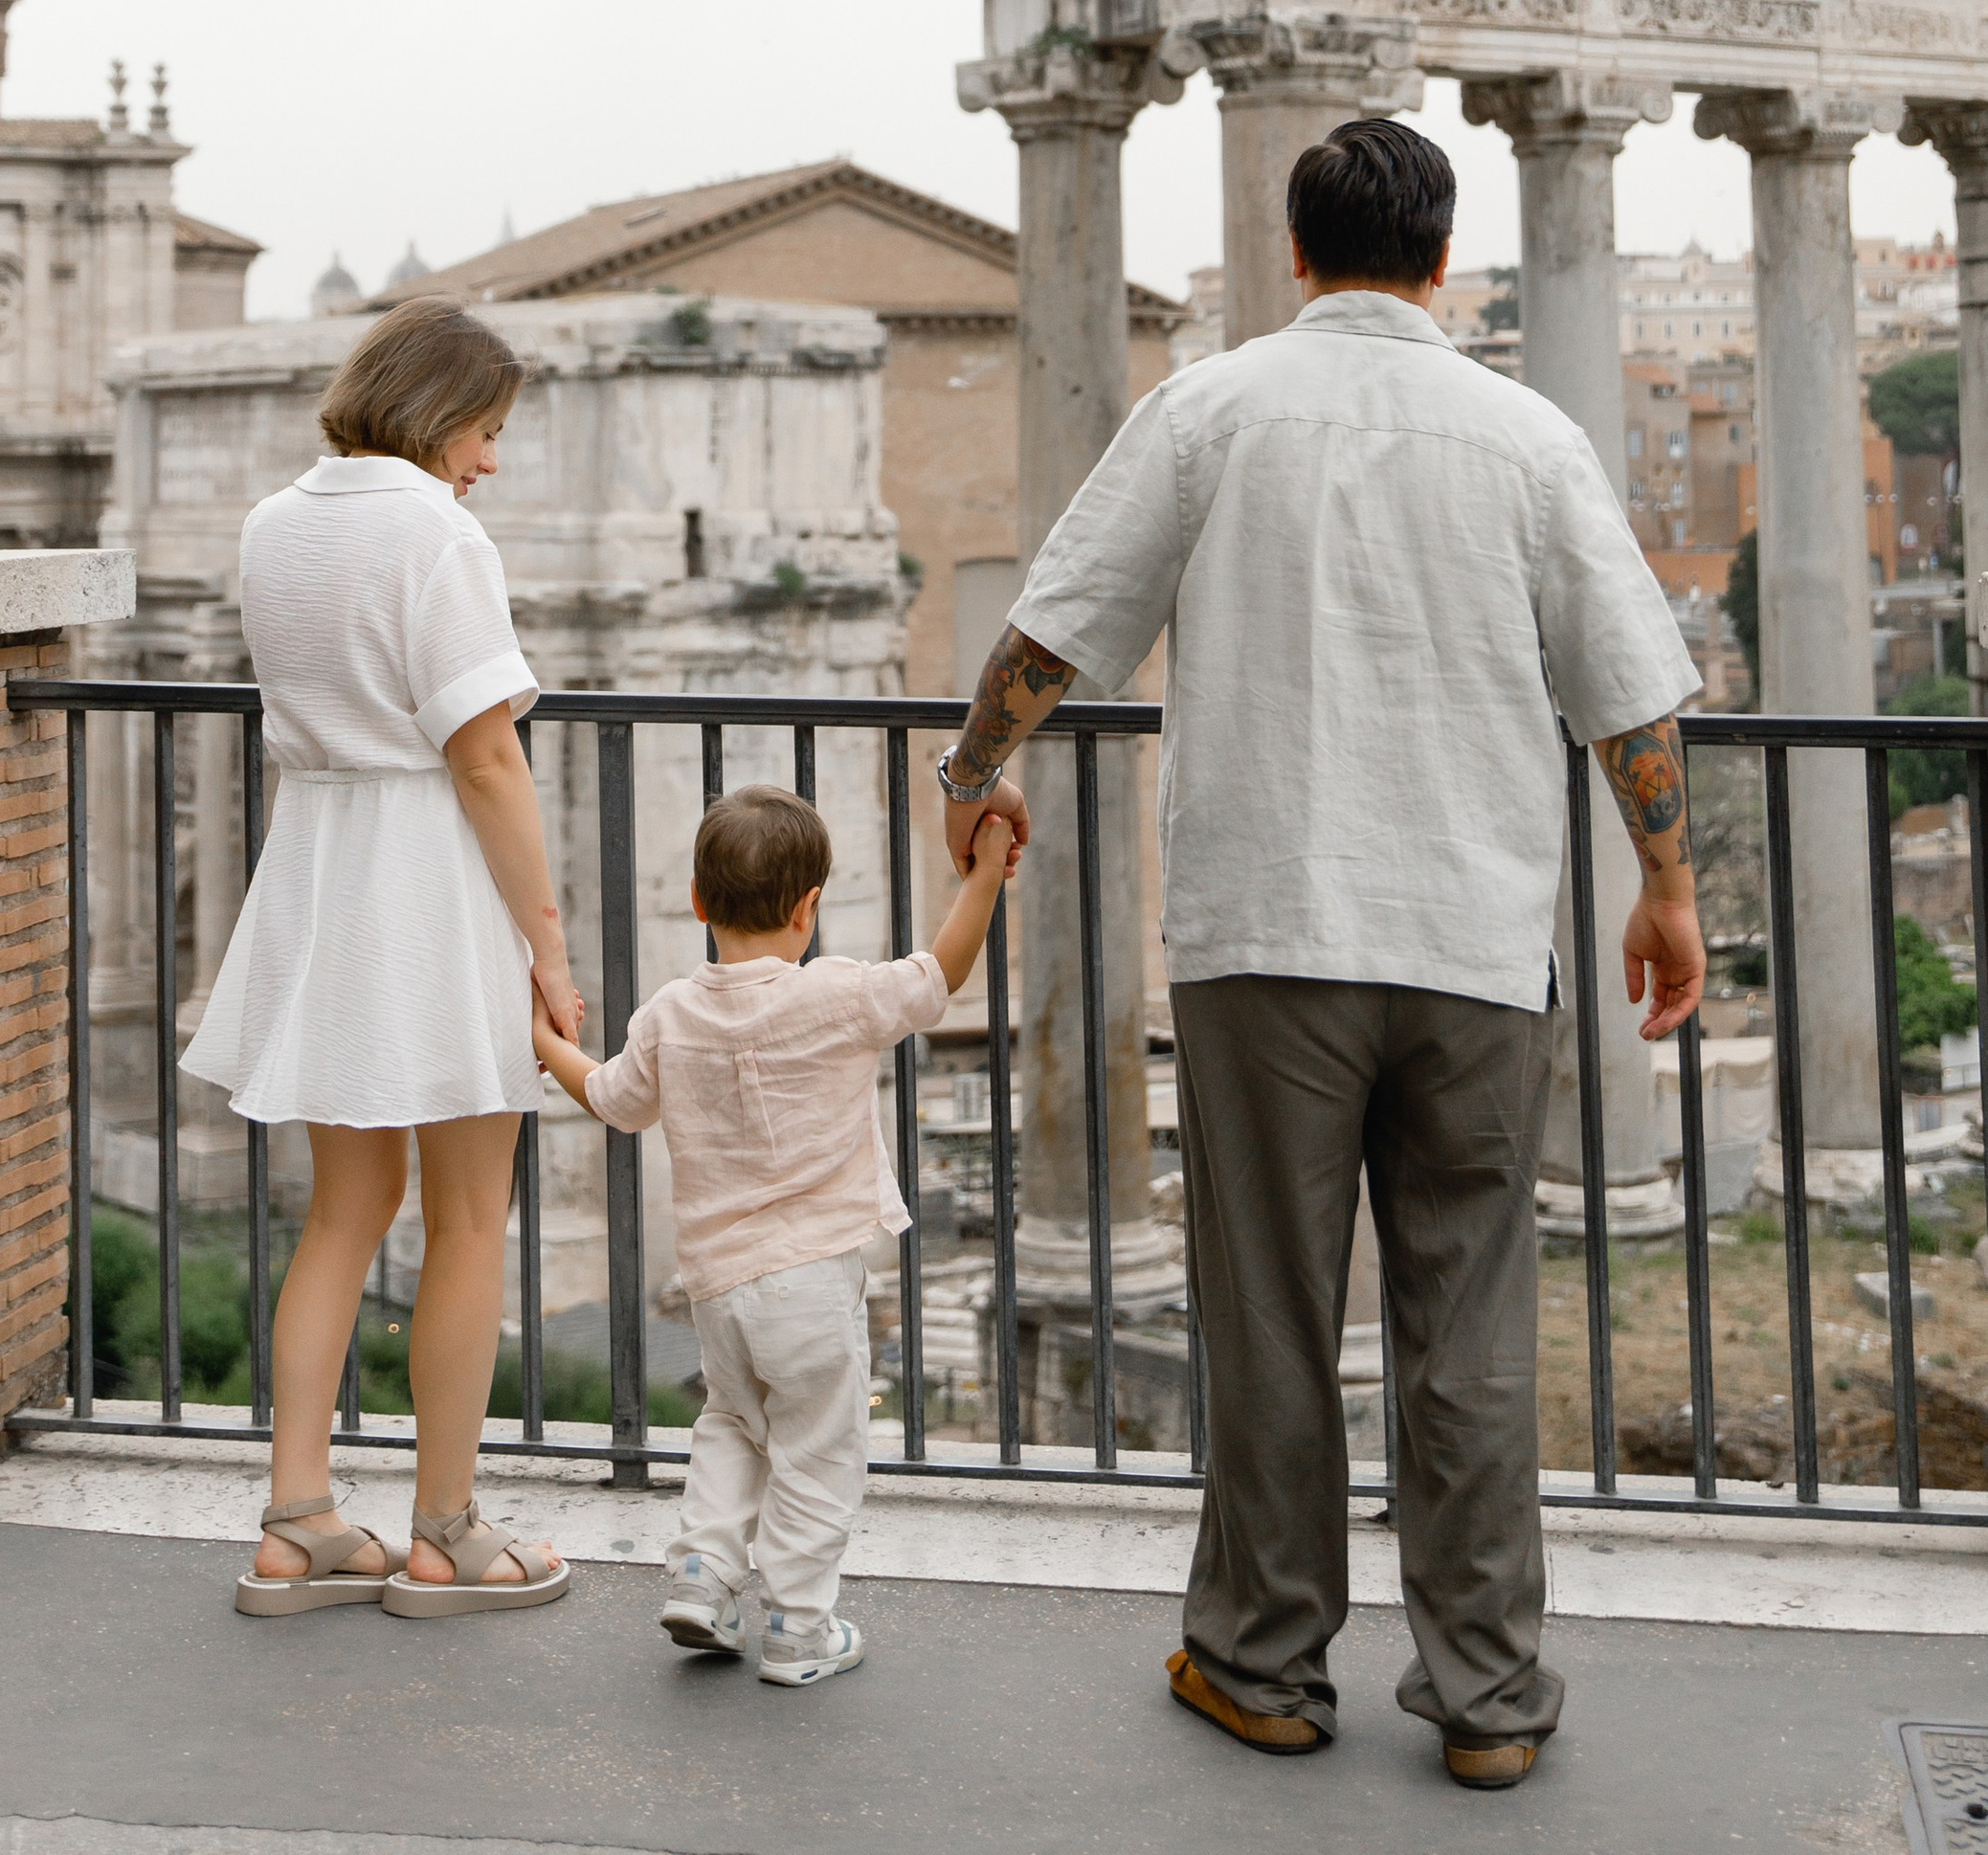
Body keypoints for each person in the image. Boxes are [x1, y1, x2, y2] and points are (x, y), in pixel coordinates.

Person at [933, 117, 1702, 1790]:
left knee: (1271, 1316)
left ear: (1295, 252)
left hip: (1265, 935)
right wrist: (1667, 884)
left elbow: (1053, 630)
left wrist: (971, 770)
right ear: (1444, 258)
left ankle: (1263, 1665)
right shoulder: (1529, 436)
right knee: (1469, 1326)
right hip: (1474, 938)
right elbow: (1630, 696)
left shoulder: (1209, 412)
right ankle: (1491, 1696)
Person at [183, 298, 581, 1619]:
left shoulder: (273, 522)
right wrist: (549, 946)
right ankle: (446, 1535)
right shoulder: (435, 532)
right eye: (485, 430)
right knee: (468, 1217)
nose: (491, 460)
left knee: (342, 1213)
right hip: (425, 879)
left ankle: (296, 1524)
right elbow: (484, 756)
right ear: (435, 413)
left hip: (318, 863)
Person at [531, 782, 1015, 1687]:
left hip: (717, 1288)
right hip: (813, 1282)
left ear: (697, 901)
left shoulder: (668, 1015)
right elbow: (939, 973)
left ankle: (703, 1574)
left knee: (732, 1421)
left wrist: (541, 1035)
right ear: (808, 909)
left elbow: (609, 1098)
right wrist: (983, 875)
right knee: (818, 1449)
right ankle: (798, 1624)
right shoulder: (838, 994)